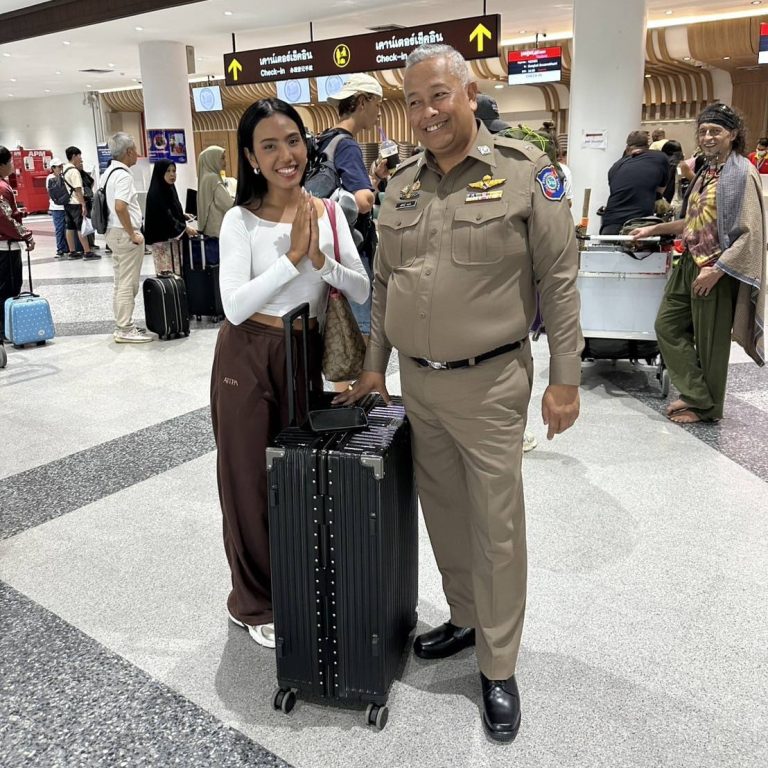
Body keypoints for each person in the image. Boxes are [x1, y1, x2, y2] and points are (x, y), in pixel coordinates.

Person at [335, 44, 583, 742]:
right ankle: (468, 618)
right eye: (413, 102)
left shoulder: (524, 172)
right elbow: (386, 281)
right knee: (443, 512)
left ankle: (498, 666)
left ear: (469, 94)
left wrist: (565, 378)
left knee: (495, 524)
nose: (426, 113)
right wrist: (375, 366)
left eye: (438, 96)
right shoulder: (402, 184)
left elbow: (560, 278)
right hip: (419, 383)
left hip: (492, 382)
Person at [210, 98, 369, 649]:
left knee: (298, 475)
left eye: (293, 141)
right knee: (248, 480)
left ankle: (296, 580)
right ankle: (253, 602)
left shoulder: (328, 210)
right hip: (248, 356)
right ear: (252, 158)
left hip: (306, 351)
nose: (286, 155)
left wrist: (322, 262)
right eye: (270, 146)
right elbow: (234, 306)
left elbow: (361, 288)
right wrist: (293, 257)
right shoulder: (240, 220)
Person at [632, 103, 766, 424]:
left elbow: (750, 233)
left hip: (717, 270)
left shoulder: (742, 173)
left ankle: (707, 407)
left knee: (710, 343)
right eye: (703, 131)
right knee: (666, 326)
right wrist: (654, 229)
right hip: (690, 262)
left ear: (733, 134)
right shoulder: (706, 170)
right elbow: (694, 221)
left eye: (715, 131)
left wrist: (717, 270)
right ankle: (698, 394)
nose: (707, 137)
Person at [324, 74, 390, 354]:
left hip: (329, 249)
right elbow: (362, 202)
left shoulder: (324, 139)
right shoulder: (348, 144)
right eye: (378, 104)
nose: (379, 113)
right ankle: (358, 380)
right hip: (353, 251)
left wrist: (374, 178)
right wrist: (371, 191)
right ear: (362, 102)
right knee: (360, 332)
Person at [103, 132, 152, 344]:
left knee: (120, 281)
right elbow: (120, 206)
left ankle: (121, 323)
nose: (137, 154)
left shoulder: (108, 173)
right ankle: (125, 327)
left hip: (112, 232)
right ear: (129, 152)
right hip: (125, 234)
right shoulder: (123, 175)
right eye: (135, 150)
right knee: (128, 283)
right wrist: (132, 233)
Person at [600, 130, 669, 234]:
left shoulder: (615, 166)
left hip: (610, 224)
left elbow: (615, 190)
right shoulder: (660, 158)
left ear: (627, 148)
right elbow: (660, 191)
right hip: (640, 223)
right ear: (647, 146)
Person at [0, 145, 35, 340]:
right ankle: (5, 330)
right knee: (8, 288)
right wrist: (26, 235)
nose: (12, 165)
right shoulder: (2, 187)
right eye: (10, 161)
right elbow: (5, 219)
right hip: (5, 248)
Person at [143, 160, 197, 275]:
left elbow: (171, 209)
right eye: (168, 171)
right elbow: (164, 216)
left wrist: (182, 215)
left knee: (177, 272)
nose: (172, 174)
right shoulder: (156, 193)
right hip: (162, 242)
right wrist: (185, 228)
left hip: (173, 242)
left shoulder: (170, 189)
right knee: (167, 274)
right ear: (160, 172)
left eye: (174, 171)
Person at [61, 146, 96, 260]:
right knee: (81, 227)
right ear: (74, 156)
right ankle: (87, 252)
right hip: (76, 203)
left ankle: (72, 252)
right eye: (79, 155)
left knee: (70, 227)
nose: (80, 158)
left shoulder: (64, 169)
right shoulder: (74, 171)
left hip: (68, 203)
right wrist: (83, 205)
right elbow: (78, 190)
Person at [196, 146, 234, 239]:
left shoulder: (205, 177)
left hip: (209, 232)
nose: (225, 162)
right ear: (212, 159)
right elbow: (228, 204)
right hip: (217, 232)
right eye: (222, 158)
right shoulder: (213, 178)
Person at [46, 158, 68, 257]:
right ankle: (60, 249)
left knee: (67, 228)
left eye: (61, 166)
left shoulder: (63, 176)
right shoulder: (50, 178)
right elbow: (52, 192)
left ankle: (67, 248)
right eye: (58, 166)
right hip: (57, 208)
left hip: (66, 206)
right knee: (59, 228)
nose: (61, 168)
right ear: (53, 168)